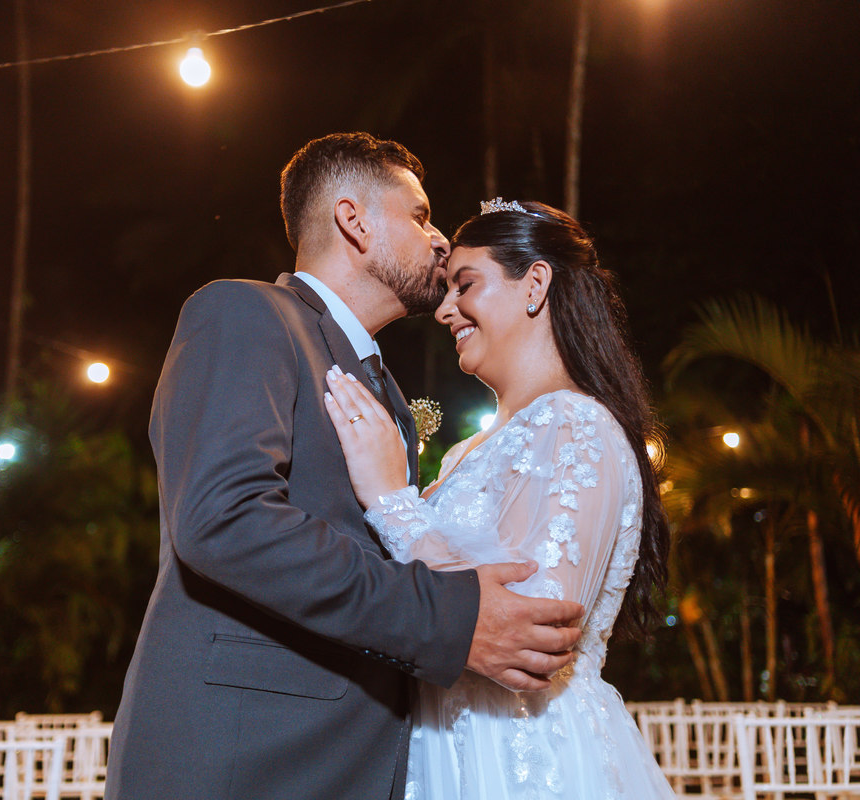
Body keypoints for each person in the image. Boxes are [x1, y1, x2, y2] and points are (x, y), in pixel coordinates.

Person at [105, 137, 587, 800]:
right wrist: (448, 621)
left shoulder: (385, 390)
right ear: (353, 220)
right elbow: (225, 518)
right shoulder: (246, 313)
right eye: (419, 216)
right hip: (245, 759)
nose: (440, 239)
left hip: (353, 762)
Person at [324, 199, 676, 799]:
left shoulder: (576, 424)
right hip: (443, 747)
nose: (445, 310)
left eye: (465, 285)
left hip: (523, 760)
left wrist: (390, 501)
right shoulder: (467, 452)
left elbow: (532, 631)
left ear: (535, 284)